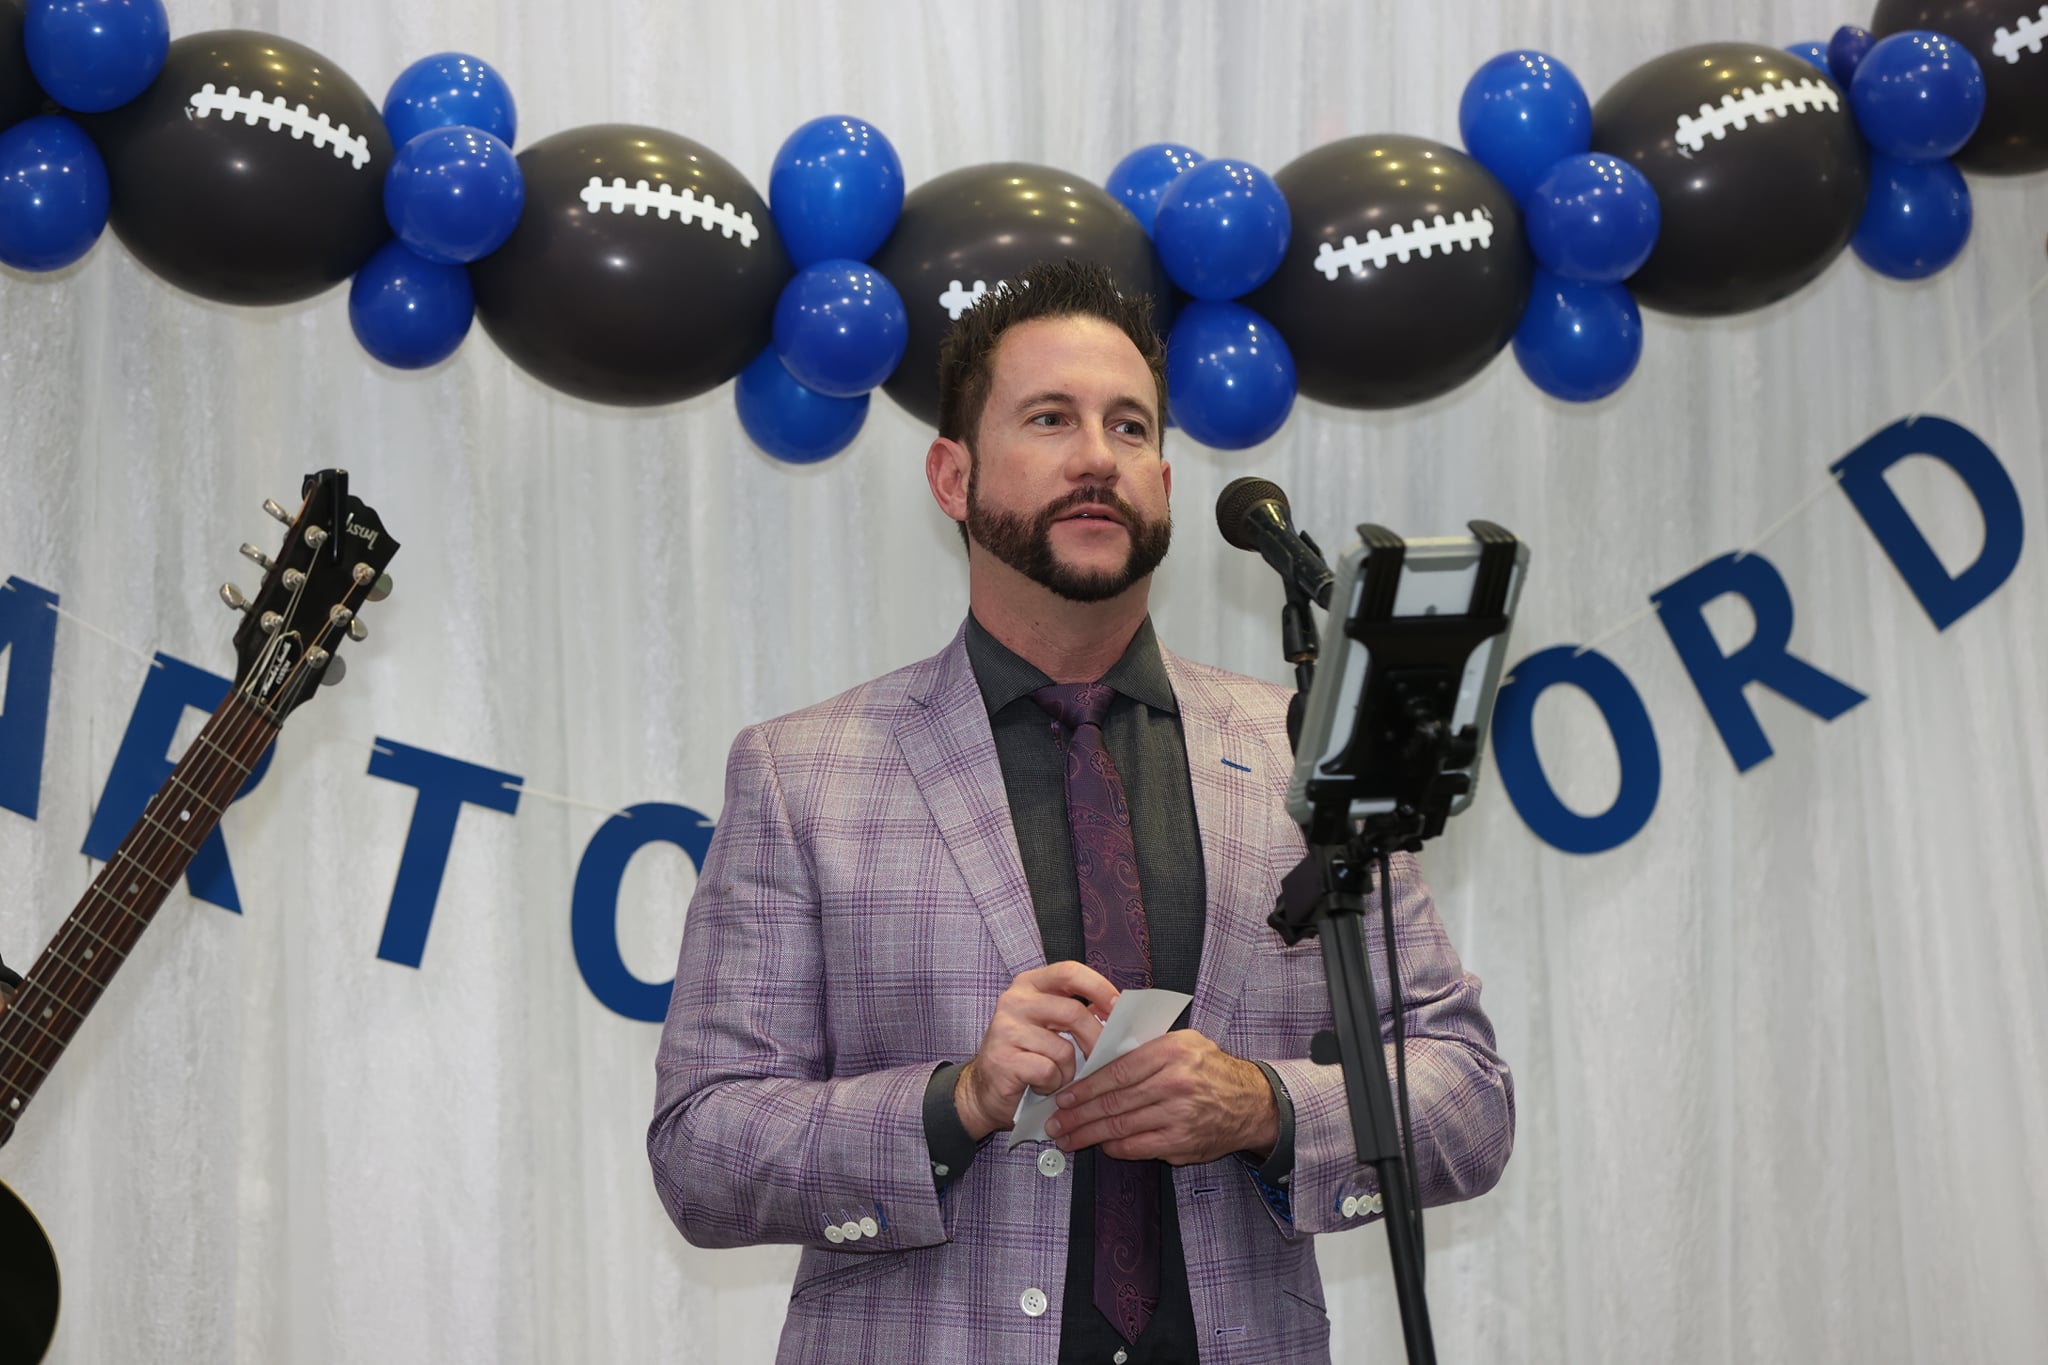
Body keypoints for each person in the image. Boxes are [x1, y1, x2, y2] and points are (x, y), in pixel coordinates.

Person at [648, 259, 1512, 1364]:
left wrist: (1261, 1106)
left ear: (1165, 481)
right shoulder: (800, 775)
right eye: (1050, 418)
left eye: (1128, 426)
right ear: (952, 476)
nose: (1097, 456)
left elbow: (1467, 1097)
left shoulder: (1301, 750)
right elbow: (703, 1150)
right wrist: (957, 1101)